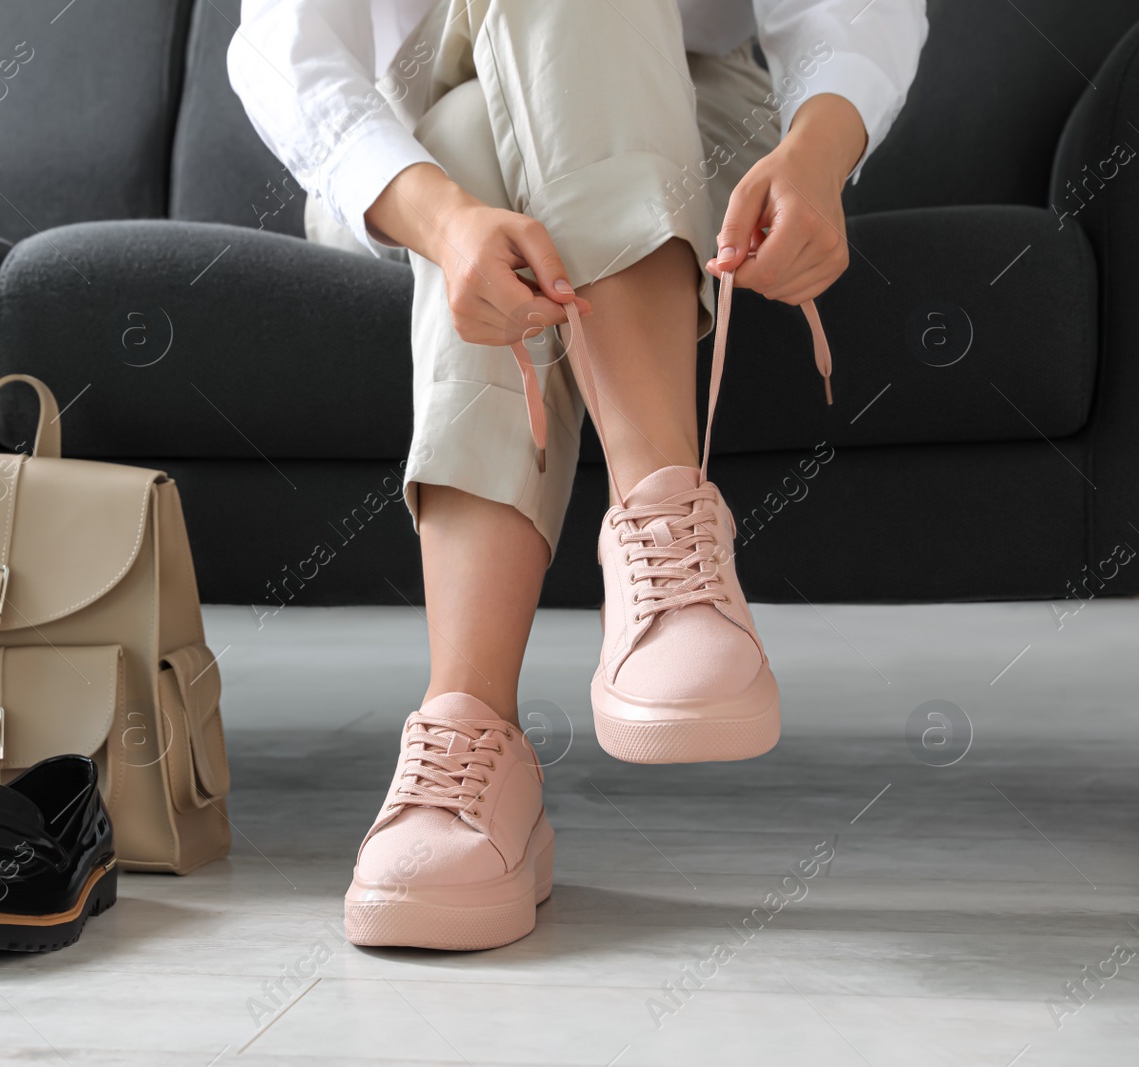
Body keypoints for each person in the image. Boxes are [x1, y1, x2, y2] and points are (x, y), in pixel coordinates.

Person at [229, 0, 926, 951]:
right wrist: (449, 220)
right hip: (405, 152)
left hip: (681, 112)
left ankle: (470, 735)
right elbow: (288, 50)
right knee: (471, 132)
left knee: (517, 107)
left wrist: (814, 153)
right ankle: (671, 553)